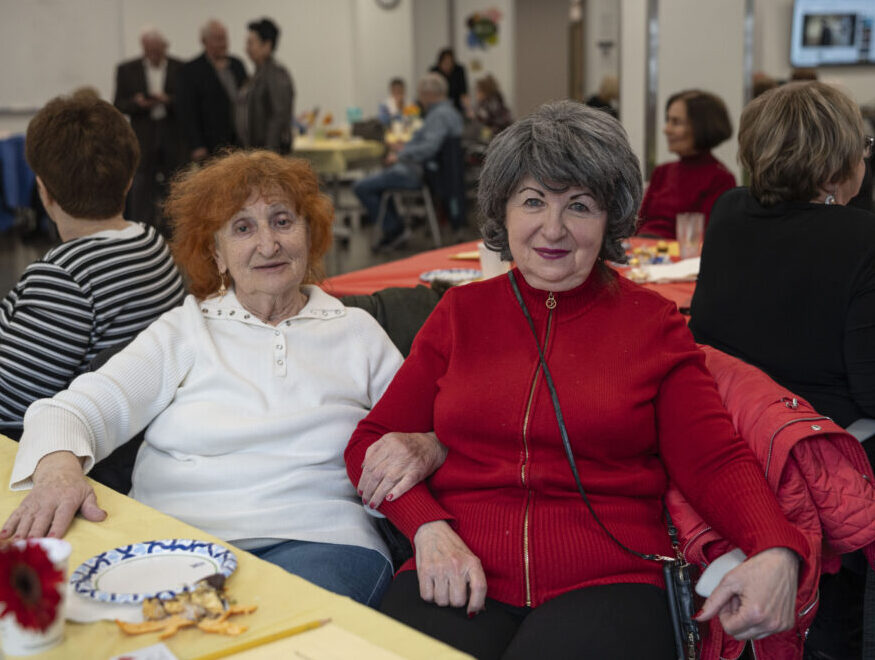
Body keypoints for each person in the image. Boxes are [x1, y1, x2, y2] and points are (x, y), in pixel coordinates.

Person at [345, 101, 808, 660]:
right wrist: (426, 529)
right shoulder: (459, 314)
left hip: (612, 578)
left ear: (611, 218)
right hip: (456, 562)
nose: (553, 229)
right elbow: (371, 442)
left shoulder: (652, 324)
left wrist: (776, 547)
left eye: (580, 206)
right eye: (533, 201)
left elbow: (714, 460)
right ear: (503, 210)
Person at [2, 151, 403, 607]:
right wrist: (58, 469)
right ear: (216, 253)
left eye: (283, 221)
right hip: (177, 538)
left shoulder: (357, 332)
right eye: (243, 228)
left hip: (322, 542)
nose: (268, 244)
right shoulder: (186, 330)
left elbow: (423, 429)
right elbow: (70, 409)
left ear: (309, 234)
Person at [689, 81, 875, 659]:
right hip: (819, 452)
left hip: (735, 440)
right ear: (841, 157)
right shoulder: (863, 236)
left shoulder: (727, 212)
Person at [0, 95, 184, 424]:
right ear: (129, 179)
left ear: (43, 191)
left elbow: (9, 406)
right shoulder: (151, 241)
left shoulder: (66, 278)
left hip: (68, 444)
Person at [353, 73, 463, 251]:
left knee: (362, 186)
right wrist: (404, 147)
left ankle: (394, 229)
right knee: (381, 183)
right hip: (430, 171)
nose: (420, 99)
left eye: (421, 94)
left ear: (429, 94)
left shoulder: (439, 116)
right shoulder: (450, 113)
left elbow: (429, 148)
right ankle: (394, 227)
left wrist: (400, 155)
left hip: (420, 172)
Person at [637, 89, 736, 238]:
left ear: (700, 127)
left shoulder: (720, 179)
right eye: (668, 120)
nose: (666, 129)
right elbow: (638, 225)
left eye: (676, 122)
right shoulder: (662, 172)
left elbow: (707, 239)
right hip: (640, 252)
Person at [114, 28, 185, 228]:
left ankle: (177, 228)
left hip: (172, 135)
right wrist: (137, 104)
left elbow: (189, 102)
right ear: (143, 48)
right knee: (142, 184)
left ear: (165, 47)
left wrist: (168, 100)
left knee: (175, 182)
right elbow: (119, 103)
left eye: (157, 50)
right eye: (149, 50)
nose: (153, 55)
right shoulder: (127, 69)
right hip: (144, 136)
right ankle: (140, 229)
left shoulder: (180, 67)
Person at [178, 19, 247, 162]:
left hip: (239, 142)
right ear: (204, 41)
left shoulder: (237, 65)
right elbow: (187, 111)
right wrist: (197, 145)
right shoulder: (191, 70)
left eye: (225, 38)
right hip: (210, 145)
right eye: (218, 39)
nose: (223, 44)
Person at [236, 18, 294, 154]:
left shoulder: (276, 74)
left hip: (267, 155)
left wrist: (268, 155)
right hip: (254, 152)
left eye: (251, 44)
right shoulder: (255, 75)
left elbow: (278, 117)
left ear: (267, 45)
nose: (246, 49)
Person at [430, 48, 469, 116]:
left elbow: (463, 92)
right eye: (445, 63)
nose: (448, 66)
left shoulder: (459, 70)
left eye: (450, 63)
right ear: (440, 63)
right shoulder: (434, 71)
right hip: (438, 107)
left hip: (456, 106)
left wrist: (468, 108)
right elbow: (430, 92)